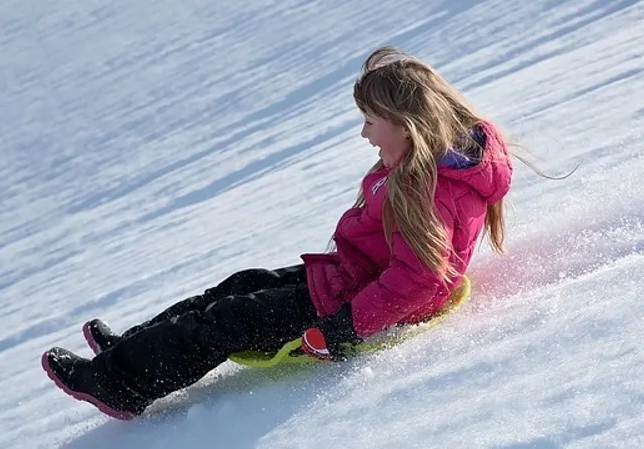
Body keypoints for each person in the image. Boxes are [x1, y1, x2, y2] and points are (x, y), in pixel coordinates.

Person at [41, 46, 514, 420]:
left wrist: (344, 329)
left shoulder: (428, 189)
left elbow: (419, 281)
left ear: (409, 128)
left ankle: (118, 384)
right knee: (240, 285)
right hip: (350, 279)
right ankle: (131, 346)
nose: (364, 135)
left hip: (350, 306)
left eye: (371, 122)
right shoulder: (428, 167)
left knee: (223, 320)